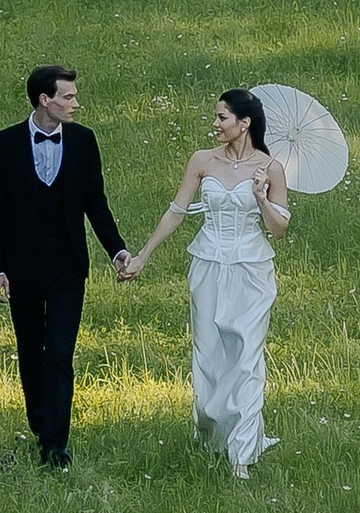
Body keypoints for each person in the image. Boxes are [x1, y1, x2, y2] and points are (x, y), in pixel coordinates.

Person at [118, 87, 289, 476]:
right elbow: (176, 211)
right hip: (207, 264)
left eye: (221, 118)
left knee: (246, 355)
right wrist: (143, 256)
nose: (215, 124)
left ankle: (242, 455)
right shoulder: (202, 160)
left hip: (251, 270)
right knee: (209, 353)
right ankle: (211, 435)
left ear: (244, 123)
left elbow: (279, 230)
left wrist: (261, 197)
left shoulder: (271, 168)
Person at [0, 66, 133, 469]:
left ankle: (56, 445)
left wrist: (117, 251)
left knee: (60, 355)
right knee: (31, 351)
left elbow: (96, 203)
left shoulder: (84, 141)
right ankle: (40, 423)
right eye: (68, 97)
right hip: (22, 268)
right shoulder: (4, 143)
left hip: (68, 268)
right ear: (44, 100)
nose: (75, 103)